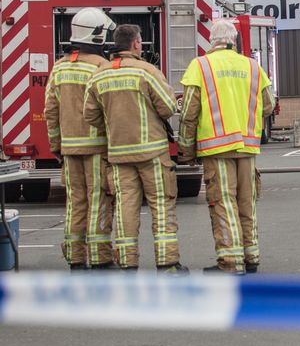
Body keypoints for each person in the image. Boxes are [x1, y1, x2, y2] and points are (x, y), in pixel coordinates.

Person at [83, 24, 186, 274]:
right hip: (153, 153)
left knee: (125, 209)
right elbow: (168, 107)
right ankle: (167, 264)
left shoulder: (99, 75)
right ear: (136, 44)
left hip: (118, 155)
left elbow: (90, 115)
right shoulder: (147, 72)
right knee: (161, 206)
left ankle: (128, 264)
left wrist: (114, 128)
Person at [178, 20, 274, 275]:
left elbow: (189, 112)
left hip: (217, 149)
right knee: (246, 203)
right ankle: (250, 257)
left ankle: (230, 263)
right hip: (248, 148)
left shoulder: (200, 66)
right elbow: (268, 105)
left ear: (212, 40)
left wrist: (186, 150)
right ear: (234, 40)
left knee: (223, 203)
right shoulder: (253, 66)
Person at [45, 8, 116, 271]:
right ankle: (100, 257)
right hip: (97, 148)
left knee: (75, 202)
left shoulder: (59, 67)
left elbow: (50, 111)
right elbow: (109, 110)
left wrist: (56, 145)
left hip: (69, 149)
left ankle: (76, 257)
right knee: (98, 200)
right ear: (98, 35)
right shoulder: (101, 67)